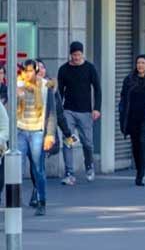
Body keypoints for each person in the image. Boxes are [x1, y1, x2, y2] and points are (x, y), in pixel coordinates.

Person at [54, 42, 100, 183]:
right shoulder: (64, 70)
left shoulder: (89, 68)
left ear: (82, 54)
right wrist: (59, 110)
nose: (77, 57)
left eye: (79, 54)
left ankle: (89, 167)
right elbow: (60, 92)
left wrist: (96, 108)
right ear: (70, 55)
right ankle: (69, 174)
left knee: (87, 143)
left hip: (85, 112)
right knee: (68, 141)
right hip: (68, 111)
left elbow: (97, 89)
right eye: (74, 55)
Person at [116, 54, 145, 186]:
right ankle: (138, 168)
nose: (140, 65)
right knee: (135, 145)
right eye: (138, 63)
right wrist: (121, 111)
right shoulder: (129, 80)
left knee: (143, 143)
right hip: (132, 117)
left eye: (143, 63)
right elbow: (123, 98)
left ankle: (140, 175)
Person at [14, 60, 51, 214]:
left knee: (38, 169)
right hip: (21, 130)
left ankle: (41, 201)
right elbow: (12, 107)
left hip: (37, 130)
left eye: (30, 71)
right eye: (25, 71)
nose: (27, 74)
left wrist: (50, 134)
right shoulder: (18, 85)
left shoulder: (45, 85)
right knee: (17, 167)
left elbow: (53, 112)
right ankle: (14, 201)